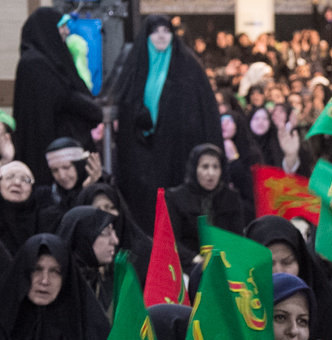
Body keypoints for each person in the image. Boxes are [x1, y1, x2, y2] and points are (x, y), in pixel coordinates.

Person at [111, 14, 223, 228]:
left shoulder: (188, 65)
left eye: (166, 31)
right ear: (147, 35)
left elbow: (201, 109)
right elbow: (125, 104)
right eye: (156, 31)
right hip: (142, 153)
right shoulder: (136, 64)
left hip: (178, 151)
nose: (161, 36)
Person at [13, 7, 101, 186]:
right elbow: (61, 98)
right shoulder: (35, 64)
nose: (67, 31)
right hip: (49, 155)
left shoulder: (43, 61)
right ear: (48, 28)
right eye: (62, 26)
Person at [164, 143, 245, 269]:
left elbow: (237, 238)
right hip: (188, 264)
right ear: (194, 168)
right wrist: (194, 258)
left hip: (224, 265)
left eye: (215, 167)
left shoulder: (231, 198)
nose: (211, 173)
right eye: (205, 167)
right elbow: (171, 240)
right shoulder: (176, 197)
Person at [55, 205, 119, 315]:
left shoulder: (97, 280)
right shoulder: (59, 286)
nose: (115, 241)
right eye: (105, 233)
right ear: (82, 236)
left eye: (113, 232)